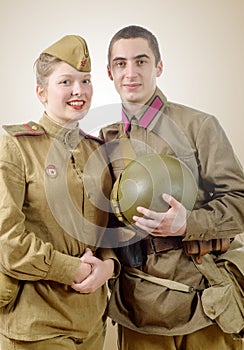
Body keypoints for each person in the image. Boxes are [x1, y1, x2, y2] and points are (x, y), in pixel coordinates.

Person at [99, 25, 244, 349]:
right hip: (139, 303)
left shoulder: (199, 126)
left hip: (202, 299)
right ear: (110, 73)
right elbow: (99, 224)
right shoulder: (105, 141)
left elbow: (240, 201)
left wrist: (188, 224)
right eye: (121, 64)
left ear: (159, 67)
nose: (131, 72)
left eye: (141, 61)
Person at [0, 34, 119, 350]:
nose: (79, 91)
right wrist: (72, 269)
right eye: (66, 81)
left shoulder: (99, 151)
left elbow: (108, 231)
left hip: (93, 322)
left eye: (86, 80)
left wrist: (107, 267)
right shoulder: (15, 147)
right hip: (37, 325)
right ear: (41, 92)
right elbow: (8, 244)